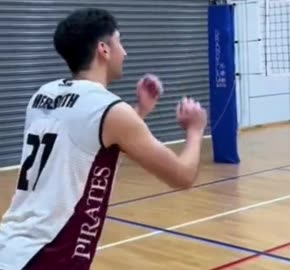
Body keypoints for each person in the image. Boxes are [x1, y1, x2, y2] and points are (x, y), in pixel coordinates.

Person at [0, 7, 207, 270]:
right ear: (104, 49)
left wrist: (140, 111)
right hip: (46, 257)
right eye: (119, 41)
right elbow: (183, 175)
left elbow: (89, 138)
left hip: (9, 245)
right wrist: (195, 129)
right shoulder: (109, 110)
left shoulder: (42, 95)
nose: (125, 52)